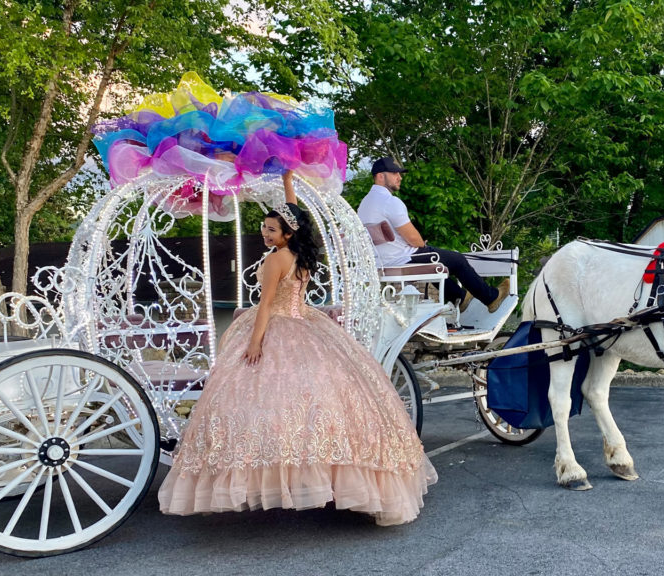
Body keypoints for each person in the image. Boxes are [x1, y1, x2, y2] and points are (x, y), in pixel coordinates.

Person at [158, 178, 437, 526]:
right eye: (264, 227)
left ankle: (278, 477)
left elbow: (264, 307)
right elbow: (297, 216)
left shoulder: (277, 260)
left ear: (287, 234)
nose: (265, 233)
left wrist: (255, 341)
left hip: (277, 323)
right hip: (305, 321)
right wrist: (289, 181)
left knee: (261, 399)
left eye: (271, 229)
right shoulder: (299, 254)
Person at [357, 157, 510, 313]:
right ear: (381, 176)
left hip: (383, 262)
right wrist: (422, 244)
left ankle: (460, 297)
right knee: (457, 259)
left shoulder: (364, 205)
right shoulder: (390, 202)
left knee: (434, 261)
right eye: (395, 173)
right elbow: (413, 239)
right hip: (401, 259)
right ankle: (491, 298)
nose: (400, 177)